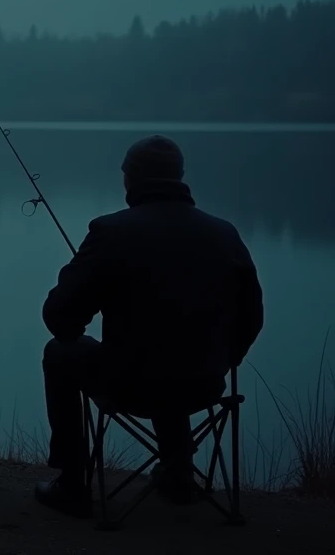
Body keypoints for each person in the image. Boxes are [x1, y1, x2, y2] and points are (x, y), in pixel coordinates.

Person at [35, 135, 264, 516]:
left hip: (131, 385)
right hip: (204, 384)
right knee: (171, 353)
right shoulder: (225, 234)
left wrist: (79, 279)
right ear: (180, 177)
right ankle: (178, 477)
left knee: (60, 353)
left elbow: (59, 320)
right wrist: (222, 360)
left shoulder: (110, 233)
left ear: (130, 179)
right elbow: (252, 318)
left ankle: (73, 485)